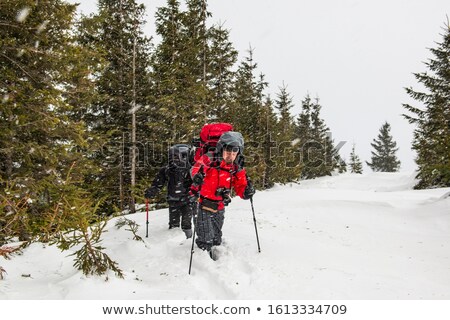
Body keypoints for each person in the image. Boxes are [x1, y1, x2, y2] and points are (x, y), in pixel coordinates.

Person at [189, 131, 255, 259]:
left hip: (219, 205)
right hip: (201, 203)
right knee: (205, 238)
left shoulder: (236, 166)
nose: (230, 155)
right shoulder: (210, 158)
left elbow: (241, 185)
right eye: (228, 151)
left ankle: (217, 259)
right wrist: (197, 177)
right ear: (221, 148)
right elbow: (195, 169)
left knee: (216, 237)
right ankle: (203, 263)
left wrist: (246, 192)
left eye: (234, 152)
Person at [144, 144, 193, 239]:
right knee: (174, 224)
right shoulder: (167, 170)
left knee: (186, 223)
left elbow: (198, 182)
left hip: (188, 200)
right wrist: (152, 191)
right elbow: (158, 183)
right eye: (173, 156)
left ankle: (188, 242)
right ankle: (173, 244)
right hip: (173, 200)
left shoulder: (191, 169)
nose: (174, 159)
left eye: (176, 156)